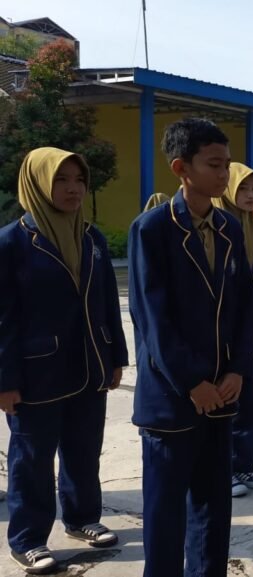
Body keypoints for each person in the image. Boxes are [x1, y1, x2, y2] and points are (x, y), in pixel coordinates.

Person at [128, 117, 253, 577]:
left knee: (212, 506)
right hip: (172, 400)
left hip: (222, 392)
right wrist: (191, 382)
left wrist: (238, 370)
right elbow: (152, 319)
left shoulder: (228, 228)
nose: (225, 174)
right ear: (182, 168)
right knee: (166, 514)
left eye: (227, 165)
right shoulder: (151, 230)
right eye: (215, 164)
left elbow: (244, 306)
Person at [0, 147, 128, 574]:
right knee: (32, 460)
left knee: (83, 451)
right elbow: (3, 319)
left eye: (79, 180)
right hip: (36, 373)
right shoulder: (12, 243)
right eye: (62, 180)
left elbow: (108, 302)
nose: (73, 189)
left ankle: (82, 518)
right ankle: (27, 539)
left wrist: (116, 356)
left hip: (90, 365)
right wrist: (5, 380)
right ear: (37, 183)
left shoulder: (89, 237)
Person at [213, 162, 253, 498]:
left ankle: (243, 464)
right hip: (225, 338)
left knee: (251, 404)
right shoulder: (216, 231)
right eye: (243, 189)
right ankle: (223, 469)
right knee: (226, 406)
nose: (250, 196)